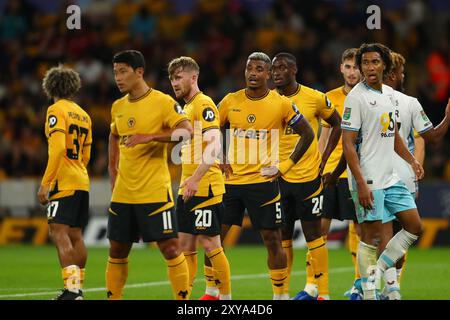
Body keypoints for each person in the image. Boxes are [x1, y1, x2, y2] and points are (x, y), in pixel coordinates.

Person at [202, 52, 315, 300]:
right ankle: (212, 292)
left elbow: (307, 134)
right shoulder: (230, 101)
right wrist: (219, 155)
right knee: (213, 237)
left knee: (273, 239)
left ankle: (280, 296)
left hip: (263, 184)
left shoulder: (281, 103)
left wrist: (285, 166)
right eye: (249, 68)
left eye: (259, 69)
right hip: (230, 184)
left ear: (268, 74)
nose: (253, 73)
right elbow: (210, 129)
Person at [106, 50, 192, 300]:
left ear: (139, 72)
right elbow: (113, 134)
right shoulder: (118, 107)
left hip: (154, 192)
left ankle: (183, 302)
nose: (118, 78)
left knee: (170, 247)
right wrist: (113, 170)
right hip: (123, 194)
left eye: (123, 72)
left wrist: (152, 136)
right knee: (117, 249)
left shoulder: (163, 102)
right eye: (115, 73)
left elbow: (187, 131)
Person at [342, 43, 424, 300]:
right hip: (368, 179)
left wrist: (412, 160)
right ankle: (368, 293)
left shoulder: (389, 95)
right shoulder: (356, 97)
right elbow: (347, 143)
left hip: (391, 178)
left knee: (414, 226)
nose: (369, 67)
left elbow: (393, 135)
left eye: (374, 62)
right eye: (364, 63)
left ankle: (374, 274)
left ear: (385, 65)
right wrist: (360, 183)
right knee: (370, 238)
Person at [378, 51, 450, 299]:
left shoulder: (401, 102)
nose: (403, 76)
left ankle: (383, 283)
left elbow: (424, 138)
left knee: (397, 230)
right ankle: (388, 286)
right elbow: (430, 138)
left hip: (391, 174)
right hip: (389, 175)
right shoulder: (376, 100)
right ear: (394, 74)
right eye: (401, 72)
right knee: (390, 231)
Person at [271, 52, 342, 300]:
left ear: (294, 70)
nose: (277, 72)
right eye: (274, 69)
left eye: (282, 67)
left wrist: (324, 157)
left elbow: (337, 123)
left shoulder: (313, 97)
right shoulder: (266, 100)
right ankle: (283, 295)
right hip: (277, 179)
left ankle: (323, 294)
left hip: (308, 178)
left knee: (314, 236)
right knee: (283, 237)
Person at [167, 56, 232, 300]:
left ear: (193, 77)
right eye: (172, 78)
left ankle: (225, 299)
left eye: (179, 77)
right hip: (188, 186)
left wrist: (194, 179)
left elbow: (213, 144)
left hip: (204, 186)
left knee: (210, 244)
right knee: (184, 246)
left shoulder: (203, 104)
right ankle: (184, 299)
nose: (174, 83)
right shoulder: (186, 108)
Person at [38, 65, 92, 300]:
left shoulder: (55, 110)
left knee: (58, 232)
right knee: (76, 235)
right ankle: (77, 289)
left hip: (64, 181)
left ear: (50, 86)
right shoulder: (84, 114)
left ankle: (71, 291)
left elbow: (58, 148)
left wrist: (46, 182)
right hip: (81, 180)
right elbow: (87, 155)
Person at [317, 48, 362, 299]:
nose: (352, 71)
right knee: (318, 230)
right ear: (340, 68)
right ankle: (317, 288)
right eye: (348, 66)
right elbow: (324, 136)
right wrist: (317, 166)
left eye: (356, 67)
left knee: (360, 231)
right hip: (329, 175)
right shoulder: (329, 97)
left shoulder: (370, 97)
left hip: (356, 174)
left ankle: (359, 285)